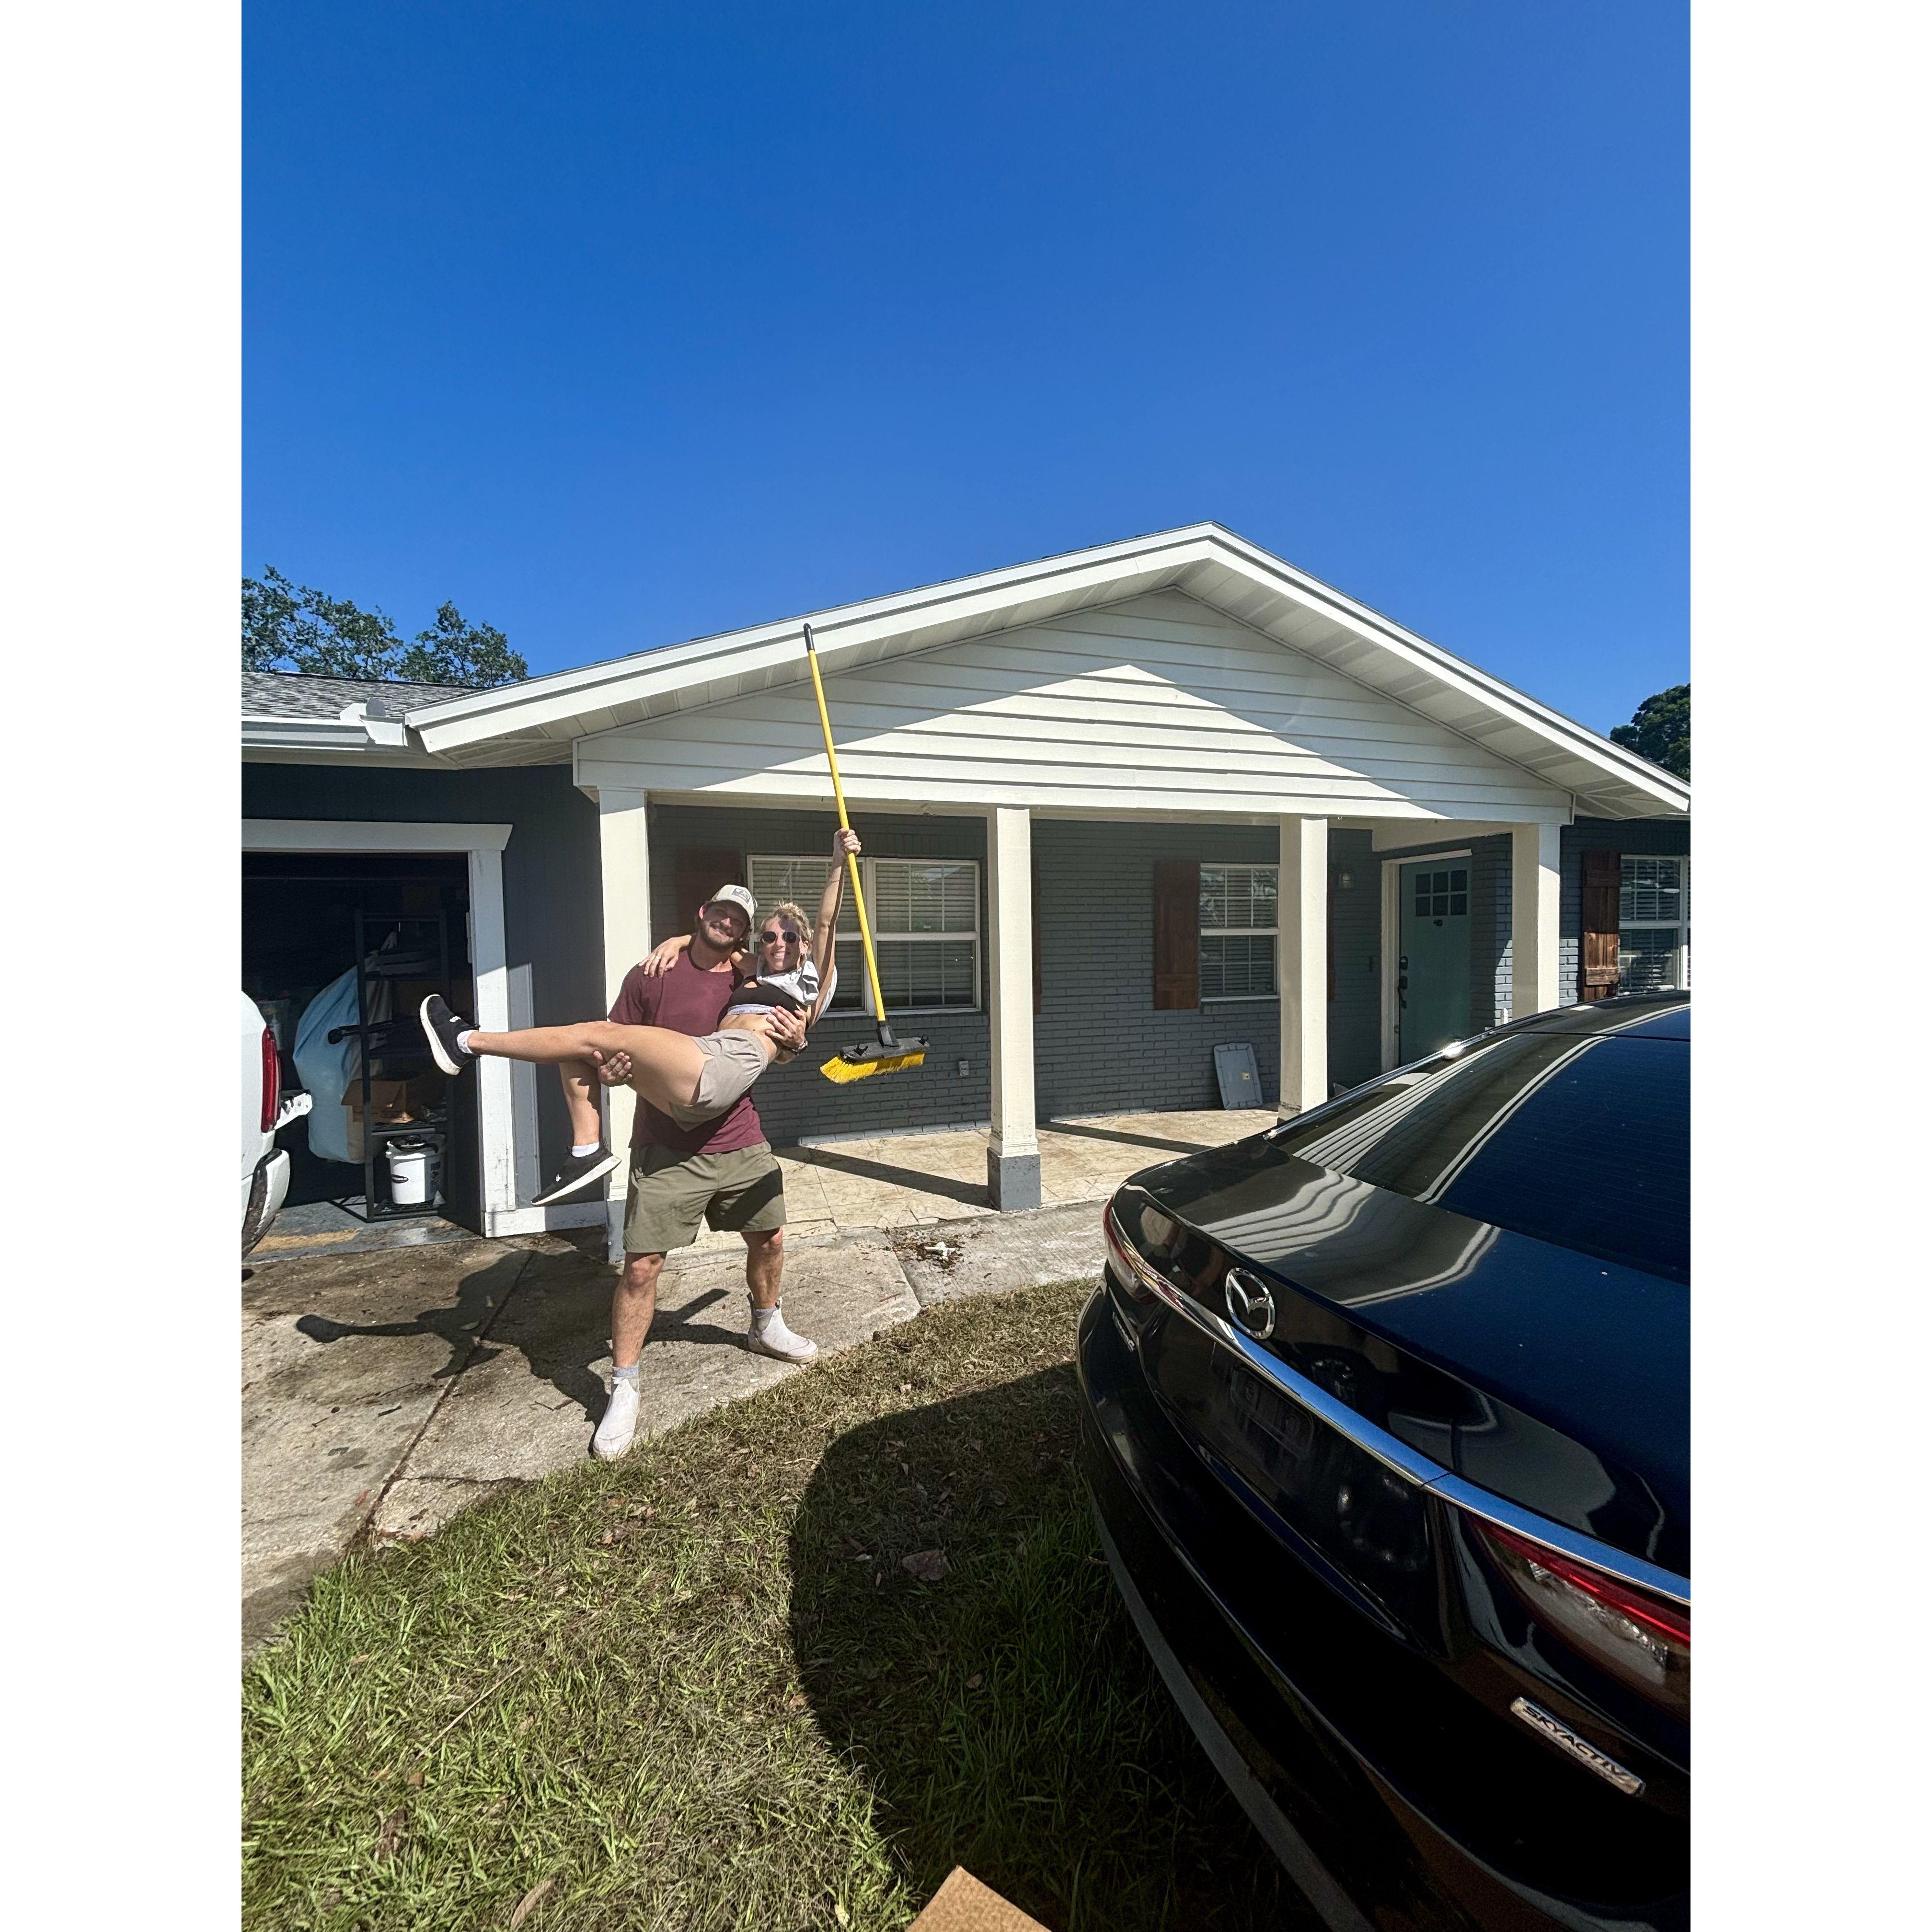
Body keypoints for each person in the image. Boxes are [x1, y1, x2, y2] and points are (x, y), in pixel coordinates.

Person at [416, 827, 860, 1461]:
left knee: (770, 1237)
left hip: (725, 1087)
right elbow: (704, 944)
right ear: (736, 935)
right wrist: (679, 940)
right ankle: (623, 1382)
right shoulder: (727, 971)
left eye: (788, 937)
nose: (780, 941)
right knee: (596, 1045)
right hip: (685, 1097)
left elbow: (826, 920)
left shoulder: (808, 984)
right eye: (768, 934)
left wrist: (838, 861)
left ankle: (767, 1325)